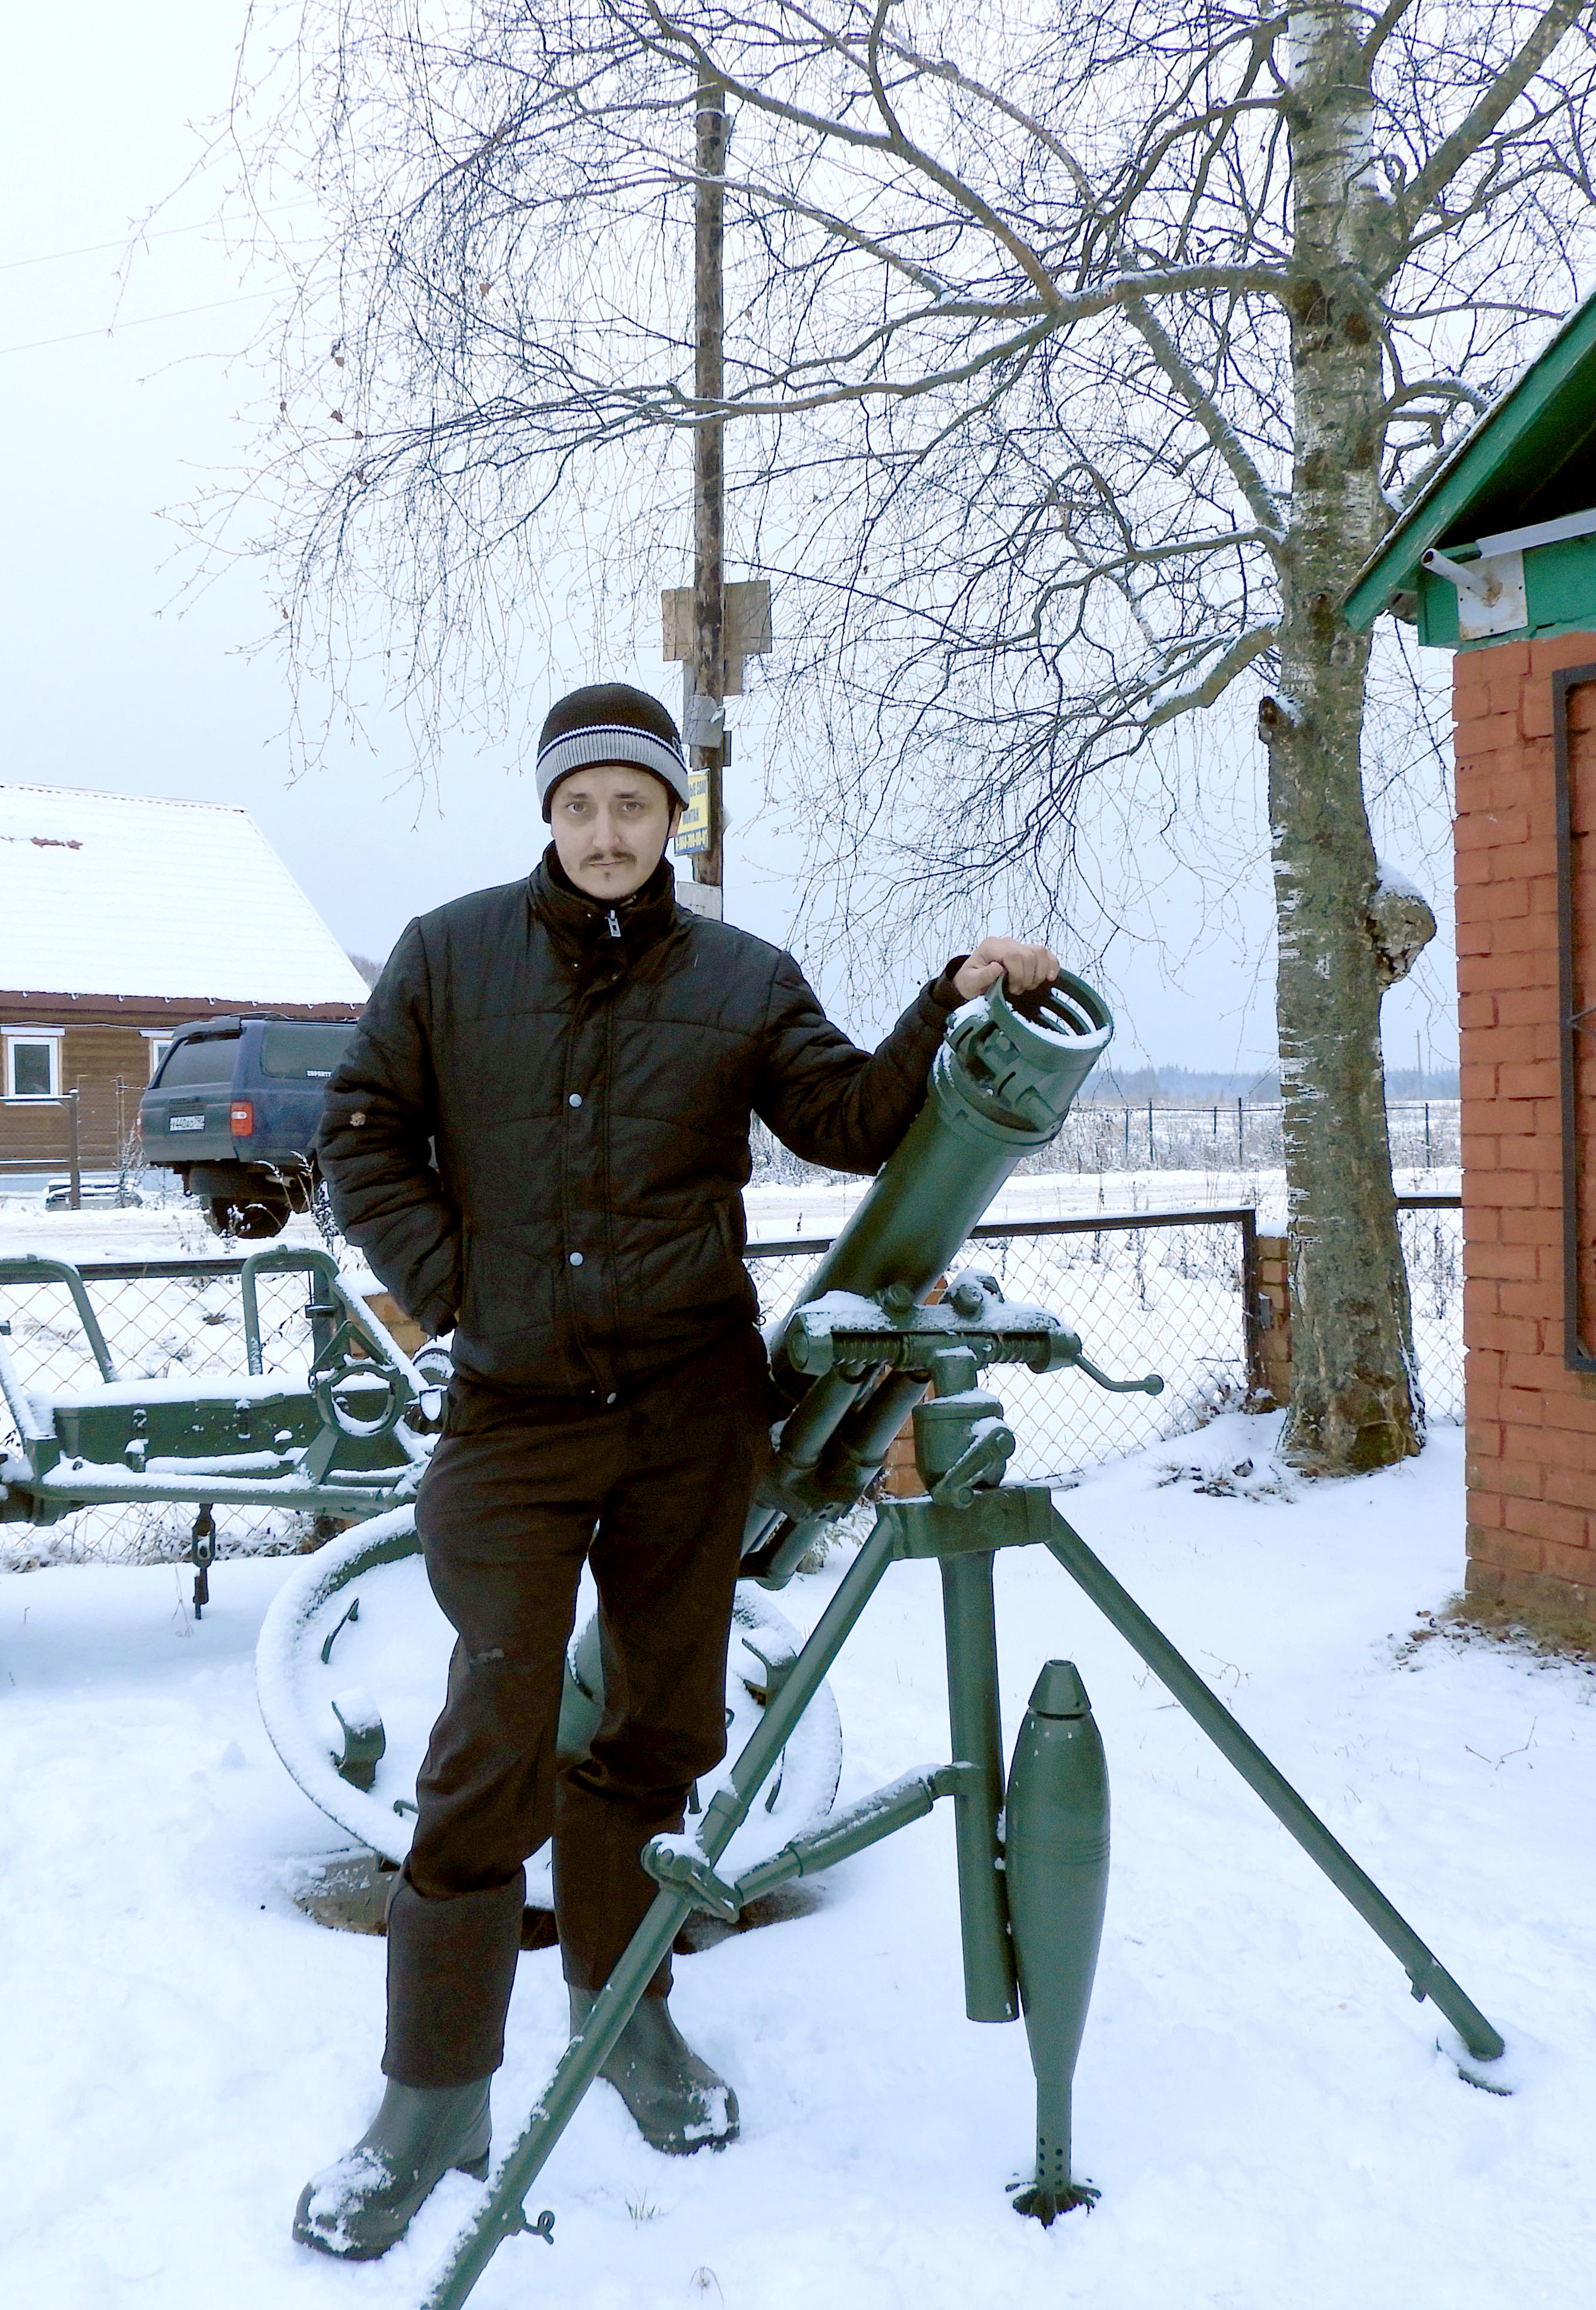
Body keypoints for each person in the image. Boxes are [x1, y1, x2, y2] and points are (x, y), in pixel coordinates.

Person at [293, 682, 1060, 2260]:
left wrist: (951, 1000)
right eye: (581, 804)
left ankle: (624, 2016)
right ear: (549, 814)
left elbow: (849, 1119)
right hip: (514, 1416)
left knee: (656, 1734)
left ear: (670, 822)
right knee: (491, 1739)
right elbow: (360, 1133)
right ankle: (430, 2100)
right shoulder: (447, 958)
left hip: (687, 1417)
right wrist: (460, 1289)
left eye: (633, 805)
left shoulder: (740, 978)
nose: (607, 830)